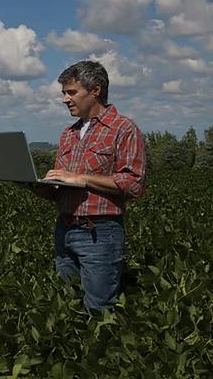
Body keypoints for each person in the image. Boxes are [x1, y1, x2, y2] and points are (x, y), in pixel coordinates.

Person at [29, 60, 146, 311]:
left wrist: (81, 178)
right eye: (64, 93)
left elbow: (134, 183)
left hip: (99, 233)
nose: (65, 99)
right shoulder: (68, 134)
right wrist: (42, 188)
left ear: (96, 90)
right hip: (64, 228)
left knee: (99, 308)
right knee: (65, 305)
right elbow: (63, 187)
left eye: (71, 92)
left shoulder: (123, 129)